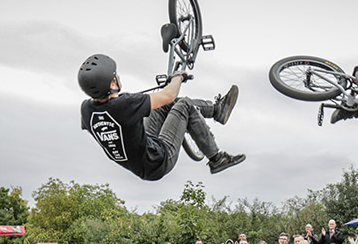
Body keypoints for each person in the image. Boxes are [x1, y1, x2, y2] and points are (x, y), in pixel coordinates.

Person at [78, 54, 244, 179]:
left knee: (161, 105)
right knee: (184, 105)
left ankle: (217, 110)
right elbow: (169, 95)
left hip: (141, 155)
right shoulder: (125, 105)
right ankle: (217, 159)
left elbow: (110, 113)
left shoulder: (86, 110)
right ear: (113, 84)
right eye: (116, 75)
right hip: (158, 160)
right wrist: (178, 77)